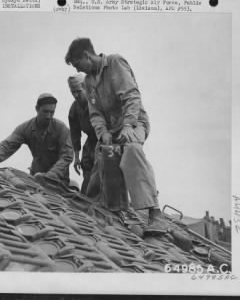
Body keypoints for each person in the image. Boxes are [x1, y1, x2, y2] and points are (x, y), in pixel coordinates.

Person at [65, 37, 168, 234]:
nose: (78, 71)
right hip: (113, 127)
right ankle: (115, 209)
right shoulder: (88, 82)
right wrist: (103, 133)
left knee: (131, 150)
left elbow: (132, 97)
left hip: (134, 120)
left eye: (78, 65)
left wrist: (128, 125)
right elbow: (95, 114)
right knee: (104, 156)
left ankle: (155, 215)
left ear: (87, 55)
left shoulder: (115, 64)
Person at [0, 93, 74, 186]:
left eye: (52, 112)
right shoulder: (25, 128)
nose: (48, 116)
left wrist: (50, 176)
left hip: (57, 181)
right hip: (35, 177)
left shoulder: (61, 129)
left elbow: (67, 156)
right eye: (45, 111)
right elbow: (6, 146)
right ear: (37, 109)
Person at [67, 73, 98, 194]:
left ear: (86, 88)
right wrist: (76, 158)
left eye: (78, 91)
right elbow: (75, 134)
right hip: (90, 141)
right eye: (72, 92)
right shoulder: (74, 109)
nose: (76, 95)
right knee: (87, 169)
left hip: (104, 140)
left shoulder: (97, 102)